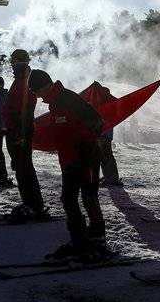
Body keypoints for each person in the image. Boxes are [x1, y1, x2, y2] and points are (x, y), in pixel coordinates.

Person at [27, 69, 108, 260]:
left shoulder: (67, 99)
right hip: (71, 158)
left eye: (37, 91)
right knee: (73, 197)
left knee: (80, 196)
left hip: (83, 157)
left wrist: (85, 147)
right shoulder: (56, 102)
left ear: (45, 85)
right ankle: (86, 239)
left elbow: (97, 121)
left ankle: (91, 240)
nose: (38, 96)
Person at [4, 49, 46, 220]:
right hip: (15, 129)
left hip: (20, 130)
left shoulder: (26, 79)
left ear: (20, 61)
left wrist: (20, 133)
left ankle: (34, 205)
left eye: (13, 60)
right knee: (21, 168)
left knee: (24, 168)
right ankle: (30, 203)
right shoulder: (20, 79)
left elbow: (27, 108)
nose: (11, 63)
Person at [94, 83, 122, 186]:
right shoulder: (110, 103)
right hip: (106, 134)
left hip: (103, 134)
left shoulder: (103, 104)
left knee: (105, 155)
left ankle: (111, 178)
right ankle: (110, 177)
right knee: (105, 155)